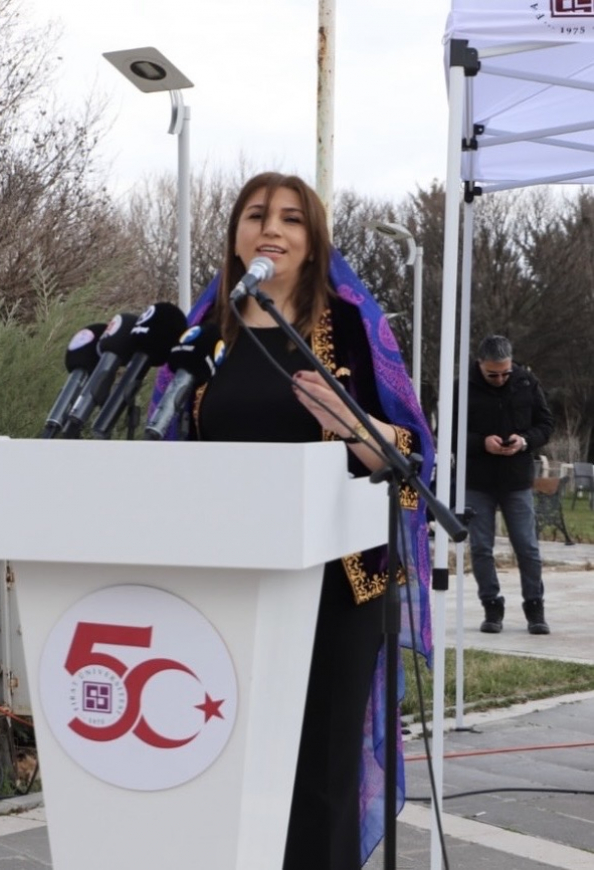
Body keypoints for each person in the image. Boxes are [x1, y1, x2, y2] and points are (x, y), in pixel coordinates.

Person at [150, 173, 434, 869]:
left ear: (313, 243)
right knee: (231, 763)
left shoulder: (350, 330)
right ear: (235, 237)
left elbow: (407, 459)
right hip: (228, 584)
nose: (271, 229)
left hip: (337, 585)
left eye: (291, 219)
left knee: (321, 774)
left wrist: (355, 426)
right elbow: (169, 451)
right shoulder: (204, 340)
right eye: (255, 216)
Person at [461, 334, 554, 635]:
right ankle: (492, 605)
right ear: (480, 364)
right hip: (478, 481)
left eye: (505, 373)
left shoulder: (527, 382)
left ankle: (535, 607)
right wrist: (480, 443)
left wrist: (524, 441)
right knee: (481, 548)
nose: (500, 379)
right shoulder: (462, 387)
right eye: (493, 374)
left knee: (527, 547)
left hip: (516, 481)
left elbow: (546, 425)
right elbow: (447, 432)